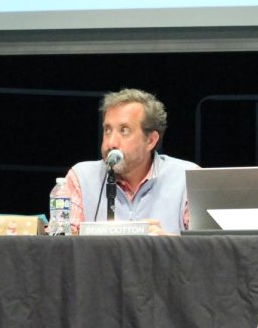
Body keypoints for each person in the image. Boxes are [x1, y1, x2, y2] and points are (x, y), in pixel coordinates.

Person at [63, 88, 199, 234]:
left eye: (124, 130)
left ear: (151, 140)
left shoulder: (188, 178)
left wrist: (166, 245)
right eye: (108, 130)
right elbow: (63, 247)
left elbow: (208, 249)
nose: (111, 143)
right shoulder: (80, 178)